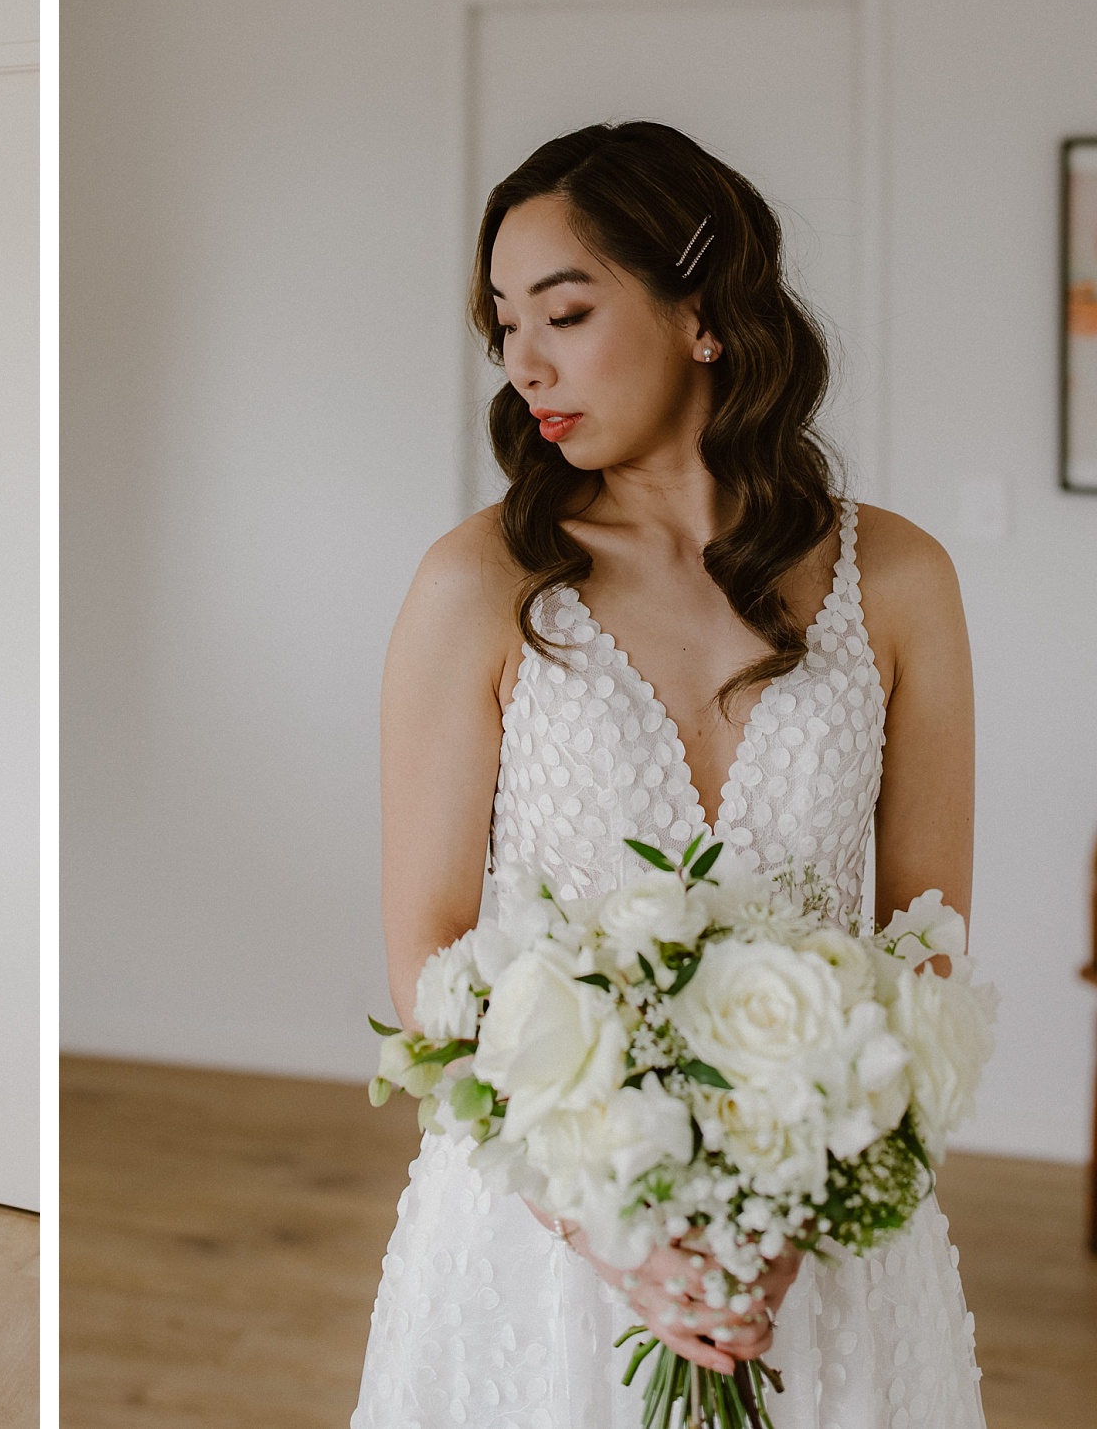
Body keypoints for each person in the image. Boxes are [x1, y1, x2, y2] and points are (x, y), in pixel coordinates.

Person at [353, 123, 985, 1426]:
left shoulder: (905, 581)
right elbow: (429, 947)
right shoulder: (478, 585)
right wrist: (607, 1227)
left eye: (565, 313)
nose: (524, 363)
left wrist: (807, 1197)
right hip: (543, 1247)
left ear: (701, 311)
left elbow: (925, 936)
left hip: (824, 1241)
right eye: (503, 325)